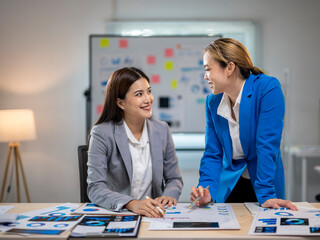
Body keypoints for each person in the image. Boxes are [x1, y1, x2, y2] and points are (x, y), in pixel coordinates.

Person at [190, 38, 297, 210]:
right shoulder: (212, 102)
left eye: (208, 69)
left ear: (230, 68)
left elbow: (266, 145)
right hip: (231, 184)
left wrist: (266, 193)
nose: (205, 76)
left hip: (264, 183)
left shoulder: (267, 88)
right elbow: (213, 152)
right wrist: (206, 189)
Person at [87, 67, 183, 218]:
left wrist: (169, 195)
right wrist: (131, 203)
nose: (148, 99)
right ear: (120, 103)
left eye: (149, 91)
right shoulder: (102, 133)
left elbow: (174, 178)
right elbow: (95, 187)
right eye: (139, 94)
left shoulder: (162, 130)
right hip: (117, 215)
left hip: (153, 217)